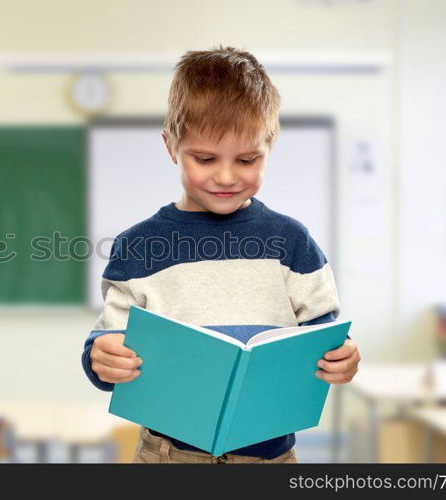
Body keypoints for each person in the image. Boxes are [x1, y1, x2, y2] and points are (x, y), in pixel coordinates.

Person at [80, 45, 360, 464]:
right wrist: (101, 357)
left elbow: (324, 333)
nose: (226, 176)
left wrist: (343, 357)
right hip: (168, 454)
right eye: (205, 158)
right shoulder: (136, 247)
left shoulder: (292, 242)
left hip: (268, 458)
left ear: (269, 147)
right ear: (171, 146)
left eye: (247, 159)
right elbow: (109, 339)